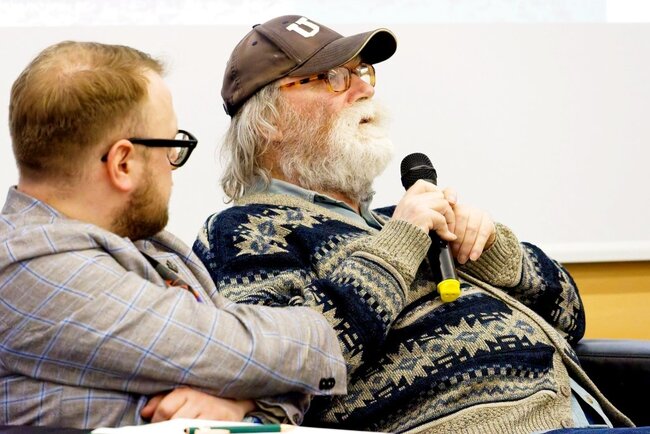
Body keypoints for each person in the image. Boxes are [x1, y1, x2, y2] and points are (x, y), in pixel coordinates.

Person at [193, 15, 636, 433]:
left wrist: (496, 255)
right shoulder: (241, 231)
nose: (363, 89)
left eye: (362, 72)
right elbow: (273, 368)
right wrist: (397, 248)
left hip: (583, 417)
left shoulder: (395, 220)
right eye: (332, 78)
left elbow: (570, 315)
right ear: (270, 121)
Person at [0, 40, 349, 429]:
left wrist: (241, 404)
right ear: (123, 163)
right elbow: (238, 350)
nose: (172, 166)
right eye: (171, 146)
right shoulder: (27, 265)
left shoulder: (155, 247)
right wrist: (310, 339)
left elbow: (261, 372)